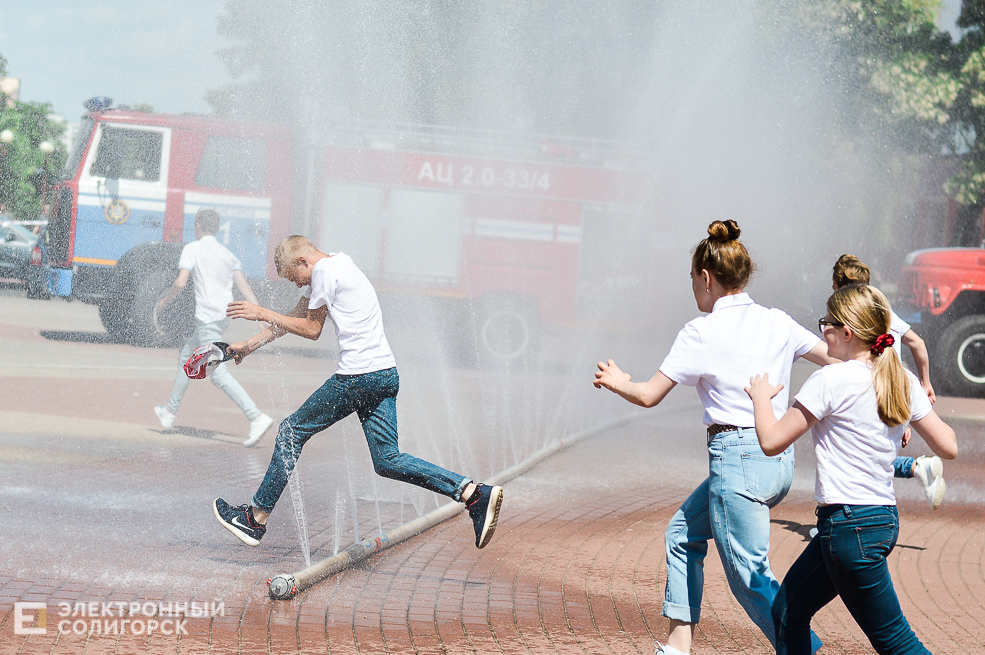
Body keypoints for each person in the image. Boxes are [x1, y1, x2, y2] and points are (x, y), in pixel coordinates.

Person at [594, 220, 832, 655]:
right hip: (777, 460)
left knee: (749, 577)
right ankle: (678, 645)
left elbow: (648, 395)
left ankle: (807, 650)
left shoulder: (700, 332)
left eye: (692, 279)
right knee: (683, 532)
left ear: (706, 278)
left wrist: (617, 381)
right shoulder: (776, 321)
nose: (692, 288)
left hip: (738, 463)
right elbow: (835, 359)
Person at [211, 235, 503, 550]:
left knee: (291, 431)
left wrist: (261, 312)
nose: (297, 285)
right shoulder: (338, 263)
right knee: (387, 460)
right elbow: (294, 319)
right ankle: (473, 494)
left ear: (303, 261)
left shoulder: (323, 272)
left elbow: (311, 330)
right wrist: (246, 346)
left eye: (295, 278)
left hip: (358, 377)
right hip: (385, 374)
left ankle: (255, 519)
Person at [745, 284, 957, 654]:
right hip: (876, 521)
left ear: (848, 332)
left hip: (849, 527)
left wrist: (761, 400)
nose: (822, 328)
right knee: (787, 612)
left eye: (828, 322)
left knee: (895, 641)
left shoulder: (830, 380)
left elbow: (771, 441)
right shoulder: (901, 379)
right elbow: (950, 447)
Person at [153, 208, 274, 447]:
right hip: (221, 317)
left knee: (218, 374)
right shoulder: (227, 255)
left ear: (198, 225)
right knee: (187, 357)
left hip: (208, 318)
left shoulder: (192, 249)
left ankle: (256, 417)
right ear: (216, 228)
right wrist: (260, 316)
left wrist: (164, 302)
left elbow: (180, 282)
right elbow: (246, 289)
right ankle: (169, 412)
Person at [832, 254, 945, 509]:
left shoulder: (850, 315)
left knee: (849, 452)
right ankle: (917, 468)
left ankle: (915, 468)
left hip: (868, 391)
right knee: (871, 451)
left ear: (839, 287)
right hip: (895, 390)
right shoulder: (883, 311)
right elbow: (918, 342)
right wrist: (925, 383)